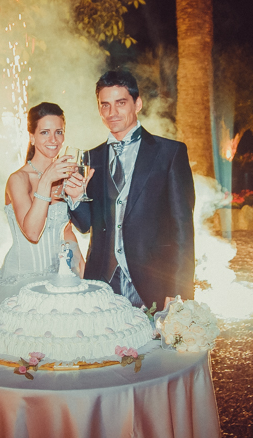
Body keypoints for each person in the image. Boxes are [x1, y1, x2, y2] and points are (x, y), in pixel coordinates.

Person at [65, 70, 195, 310]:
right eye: (105, 105)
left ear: (138, 104)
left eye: (120, 103)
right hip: (102, 283)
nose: (112, 113)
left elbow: (182, 230)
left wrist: (179, 292)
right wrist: (75, 198)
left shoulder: (170, 153)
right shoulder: (91, 158)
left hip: (151, 285)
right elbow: (85, 225)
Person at [0, 102, 83, 317]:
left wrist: (83, 271)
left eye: (58, 132)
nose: (53, 140)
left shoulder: (65, 178)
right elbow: (32, 233)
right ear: (32, 137)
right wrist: (47, 180)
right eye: (44, 132)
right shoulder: (18, 179)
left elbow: (67, 232)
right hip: (20, 285)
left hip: (58, 281)